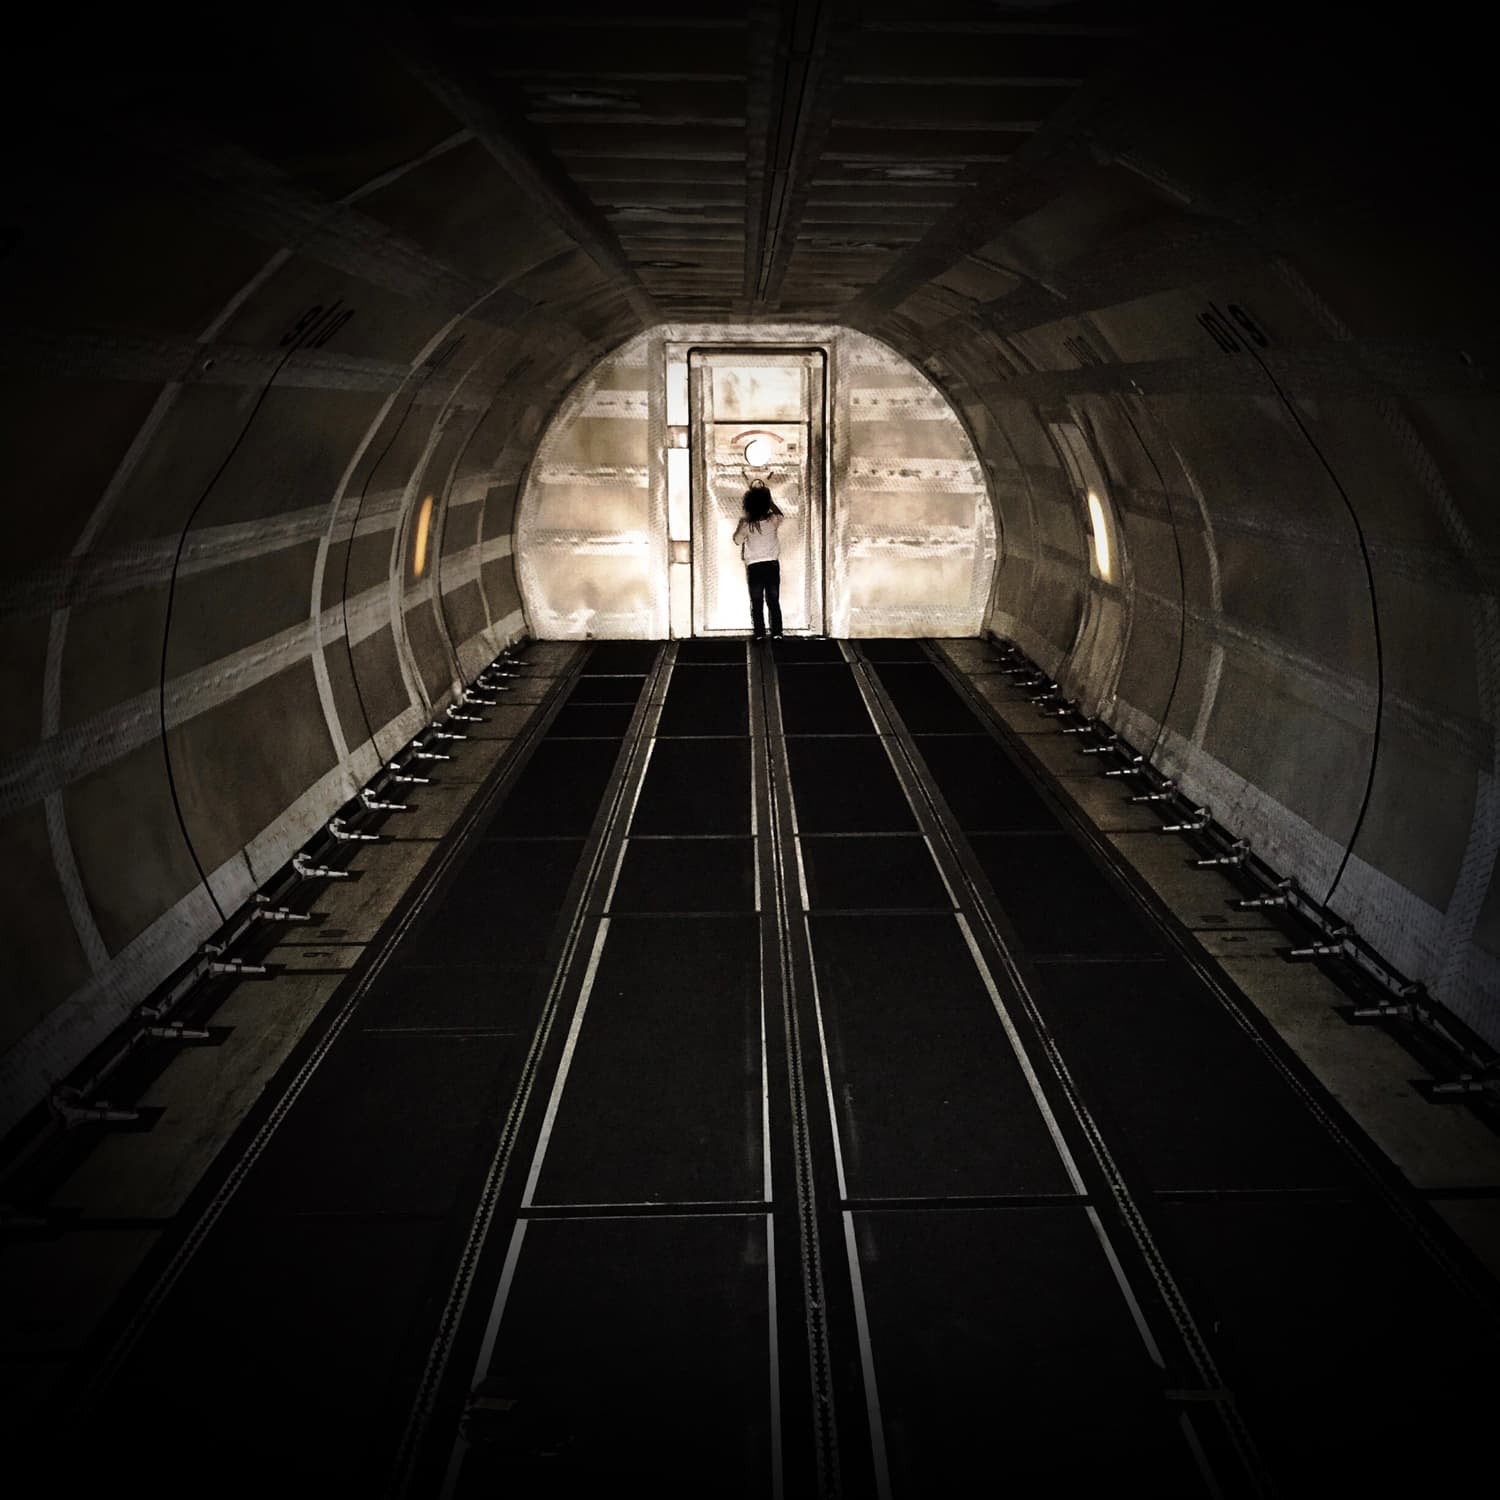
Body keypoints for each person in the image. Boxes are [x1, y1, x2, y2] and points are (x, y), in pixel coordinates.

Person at [732, 483, 785, 640]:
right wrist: (770, 502)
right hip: (772, 565)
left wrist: (743, 526)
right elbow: (781, 514)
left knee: (756, 601)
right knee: (773, 600)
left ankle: (760, 633)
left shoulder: (747, 524)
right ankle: (777, 632)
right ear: (766, 505)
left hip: (754, 567)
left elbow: (737, 540)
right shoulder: (773, 520)